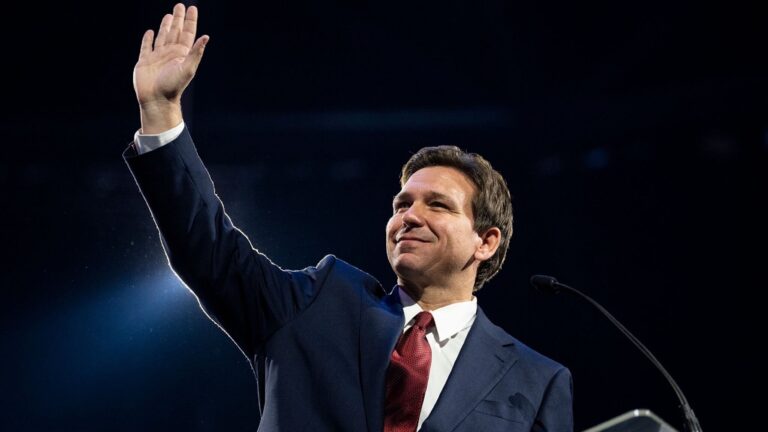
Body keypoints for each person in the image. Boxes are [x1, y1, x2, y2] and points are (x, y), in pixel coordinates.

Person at [125, 4, 573, 431]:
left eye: (437, 205)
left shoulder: (535, 381)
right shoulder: (319, 304)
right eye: (402, 205)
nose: (410, 216)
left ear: (486, 241)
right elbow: (209, 250)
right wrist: (161, 113)